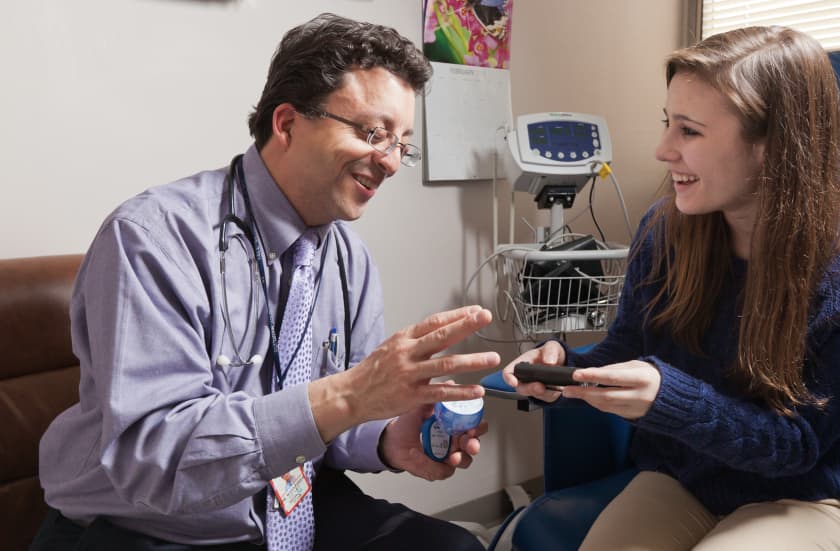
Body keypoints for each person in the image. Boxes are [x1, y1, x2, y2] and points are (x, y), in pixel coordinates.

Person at [32, 13, 498, 551]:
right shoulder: (153, 239)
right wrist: (352, 394)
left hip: (294, 502)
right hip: (152, 525)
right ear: (287, 124)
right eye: (373, 133)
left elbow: (334, 418)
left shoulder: (349, 260)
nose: (390, 161)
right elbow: (156, 460)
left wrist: (391, 438)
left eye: (401, 143)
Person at [502, 26, 840, 551]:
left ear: (770, 145)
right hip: (683, 480)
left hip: (799, 497)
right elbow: (626, 352)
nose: (662, 150)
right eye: (668, 124)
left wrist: (668, 397)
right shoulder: (664, 232)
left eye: (689, 131)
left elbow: (792, 447)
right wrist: (563, 369)